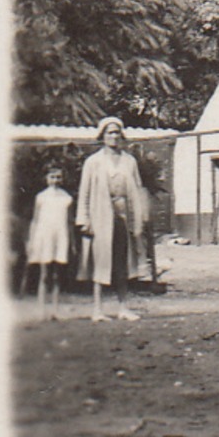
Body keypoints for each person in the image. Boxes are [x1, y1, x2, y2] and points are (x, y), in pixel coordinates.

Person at [76, 117, 149, 322]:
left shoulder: (129, 161)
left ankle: (123, 307)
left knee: (123, 262)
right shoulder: (93, 162)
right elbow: (85, 192)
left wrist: (141, 217)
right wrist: (84, 220)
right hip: (100, 216)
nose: (114, 136)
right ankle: (97, 310)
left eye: (117, 132)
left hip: (123, 216)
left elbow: (138, 188)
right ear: (102, 136)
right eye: (109, 132)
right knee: (100, 261)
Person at [26, 166, 74, 318]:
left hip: (60, 236)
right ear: (46, 179)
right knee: (44, 274)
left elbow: (69, 222)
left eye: (58, 177)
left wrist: (72, 244)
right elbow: (35, 220)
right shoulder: (41, 197)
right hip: (44, 236)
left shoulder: (67, 198)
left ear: (62, 178)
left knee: (57, 275)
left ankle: (55, 310)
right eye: (52, 177)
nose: (55, 180)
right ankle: (41, 310)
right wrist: (31, 241)